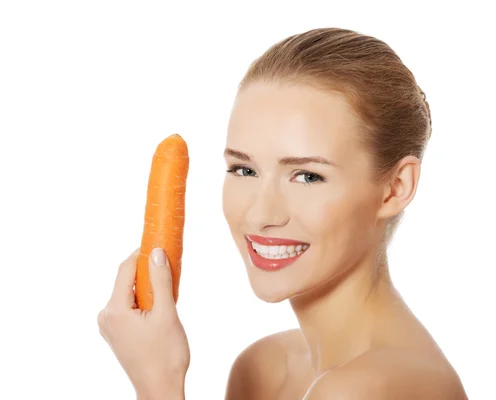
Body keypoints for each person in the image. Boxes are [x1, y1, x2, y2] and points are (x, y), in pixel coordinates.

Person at [98, 27, 468, 399]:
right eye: (244, 169)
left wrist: (158, 381)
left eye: (307, 176)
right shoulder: (264, 366)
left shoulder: (369, 387)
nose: (261, 214)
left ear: (395, 188)